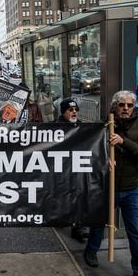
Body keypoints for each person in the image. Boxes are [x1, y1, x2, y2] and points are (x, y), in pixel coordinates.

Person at [84, 91, 138, 276]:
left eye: (129, 105)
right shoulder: (104, 126)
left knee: (136, 233)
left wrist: (124, 142)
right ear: (115, 106)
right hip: (107, 186)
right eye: (121, 105)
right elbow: (90, 152)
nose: (125, 108)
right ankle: (91, 250)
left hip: (131, 188)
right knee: (98, 223)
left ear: (133, 107)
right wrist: (103, 160)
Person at [55, 99, 90, 242]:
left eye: (76, 109)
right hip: (60, 167)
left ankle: (78, 227)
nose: (74, 112)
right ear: (63, 112)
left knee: (77, 195)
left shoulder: (81, 126)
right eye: (70, 110)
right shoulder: (54, 127)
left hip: (76, 167)